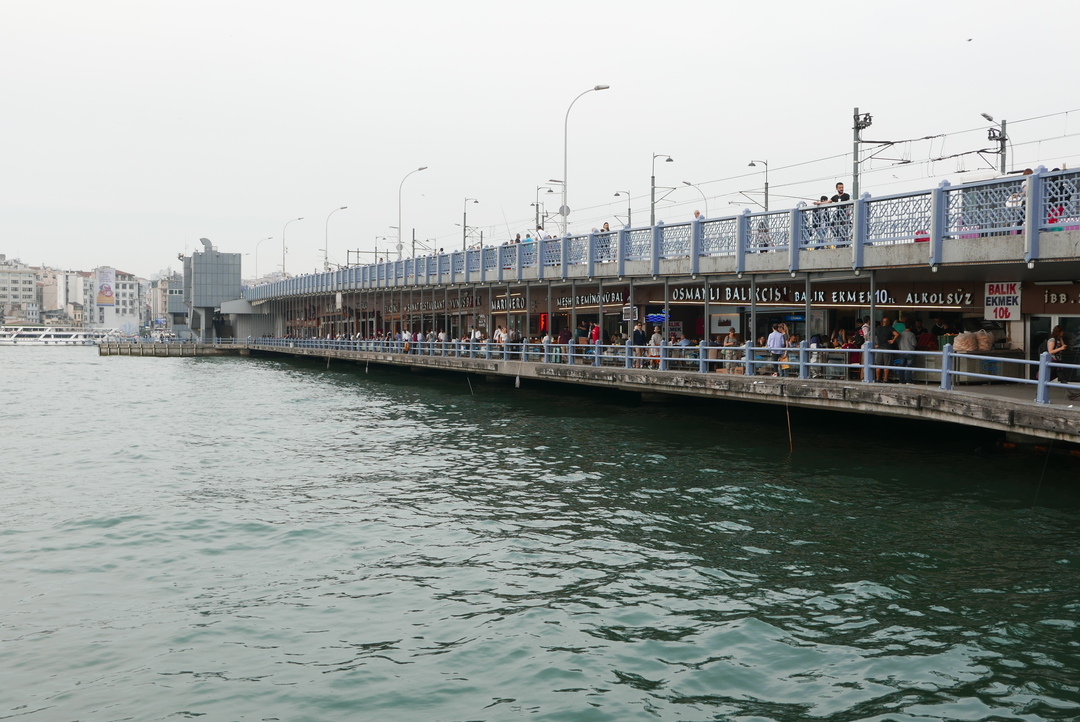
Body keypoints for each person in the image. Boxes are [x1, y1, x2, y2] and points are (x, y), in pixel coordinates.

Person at [873, 317, 899, 383]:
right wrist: (893, 340)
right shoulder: (890, 328)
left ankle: (878, 379)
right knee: (886, 365)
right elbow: (897, 334)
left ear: (882, 322)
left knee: (878, 365)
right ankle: (885, 379)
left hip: (879, 349)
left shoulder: (877, 329)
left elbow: (870, 336)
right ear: (888, 322)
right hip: (887, 348)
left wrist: (875, 344)